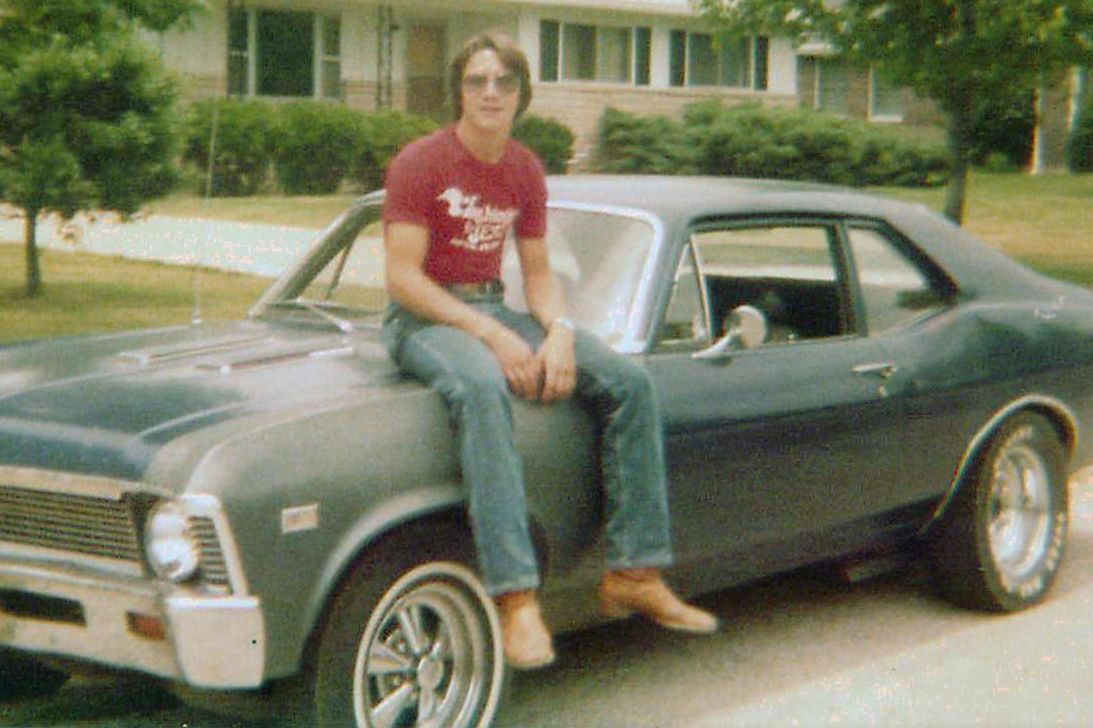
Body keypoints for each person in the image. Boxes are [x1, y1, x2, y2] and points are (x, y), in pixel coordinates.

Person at [382, 31, 718, 670]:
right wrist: (491, 335)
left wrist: (559, 330)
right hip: (423, 318)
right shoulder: (420, 162)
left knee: (627, 380)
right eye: (477, 80)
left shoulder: (523, 169)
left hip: (490, 304)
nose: (489, 92)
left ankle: (635, 573)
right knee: (482, 386)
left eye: (502, 82)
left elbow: (536, 273)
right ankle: (516, 597)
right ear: (459, 89)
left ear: (520, 95)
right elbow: (403, 278)